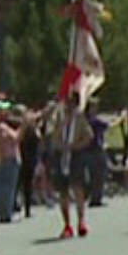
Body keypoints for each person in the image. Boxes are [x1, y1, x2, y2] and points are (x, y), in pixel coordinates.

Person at [43, 96, 93, 238]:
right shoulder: (58, 118)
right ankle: (67, 225)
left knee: (78, 188)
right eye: (68, 103)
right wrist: (60, 143)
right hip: (61, 155)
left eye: (72, 104)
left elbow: (89, 136)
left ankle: (81, 221)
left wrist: (76, 146)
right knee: (63, 191)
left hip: (76, 156)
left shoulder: (80, 118)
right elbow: (51, 135)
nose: (69, 106)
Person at [0, 102, 21, 223]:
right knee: (7, 187)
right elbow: (16, 138)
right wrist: (24, 125)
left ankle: (1, 212)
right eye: (4, 110)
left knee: (2, 187)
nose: (7, 113)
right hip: (7, 159)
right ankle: (5, 214)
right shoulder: (1, 127)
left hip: (2, 159)